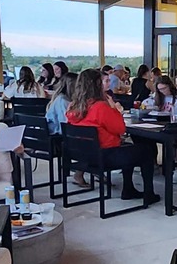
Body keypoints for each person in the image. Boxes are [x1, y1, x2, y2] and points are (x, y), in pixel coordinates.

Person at [66, 68, 159, 204]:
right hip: (104, 155)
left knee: (129, 148)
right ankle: (148, 193)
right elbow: (120, 129)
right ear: (97, 84)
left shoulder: (73, 106)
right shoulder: (100, 107)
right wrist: (115, 110)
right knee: (146, 150)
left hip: (84, 156)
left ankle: (129, 188)